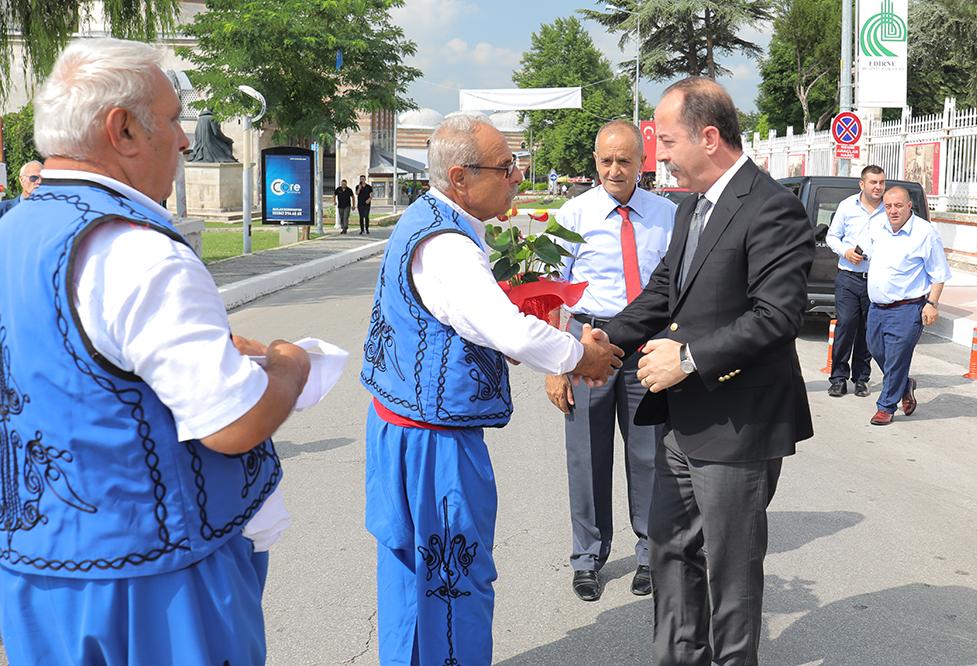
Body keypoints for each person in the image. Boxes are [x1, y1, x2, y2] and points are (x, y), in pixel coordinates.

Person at [0, 38, 311, 665]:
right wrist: (289, 367)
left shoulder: (13, 230)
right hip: (153, 584)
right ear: (123, 130)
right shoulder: (140, 252)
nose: (186, 139)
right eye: (173, 120)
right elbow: (232, 423)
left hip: (35, 568)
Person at [360, 113, 623, 666]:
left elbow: (468, 323)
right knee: (456, 577)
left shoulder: (427, 218)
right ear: (460, 177)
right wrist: (580, 355)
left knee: (413, 576)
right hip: (434, 445)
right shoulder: (449, 245)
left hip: (402, 426)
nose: (517, 180)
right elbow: (499, 325)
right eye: (505, 169)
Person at [602, 77, 815, 666]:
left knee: (731, 572)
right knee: (670, 551)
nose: (659, 156)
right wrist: (599, 339)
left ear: (710, 137)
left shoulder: (774, 208)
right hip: (681, 422)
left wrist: (688, 359)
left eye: (667, 142)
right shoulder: (690, 206)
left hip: (737, 424)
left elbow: (777, 316)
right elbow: (666, 291)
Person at [545, 119, 676, 602]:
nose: (615, 170)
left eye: (625, 160)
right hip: (587, 344)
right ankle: (588, 556)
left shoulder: (668, 215)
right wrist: (558, 365)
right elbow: (549, 297)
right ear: (595, 162)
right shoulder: (573, 215)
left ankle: (651, 555)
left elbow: (680, 290)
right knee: (586, 455)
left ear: (643, 161)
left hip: (647, 347)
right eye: (606, 161)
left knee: (651, 456)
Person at [863, 186, 950, 426]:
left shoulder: (925, 232)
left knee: (897, 357)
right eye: (888, 206)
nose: (893, 211)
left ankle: (885, 407)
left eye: (898, 205)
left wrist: (932, 304)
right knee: (875, 349)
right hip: (877, 307)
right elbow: (870, 254)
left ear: (909, 206)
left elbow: (939, 273)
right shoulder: (877, 226)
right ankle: (904, 384)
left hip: (908, 308)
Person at [825, 165, 887, 398]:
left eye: (881, 182)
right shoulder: (847, 206)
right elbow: (832, 236)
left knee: (868, 330)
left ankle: (861, 378)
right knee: (846, 325)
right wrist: (846, 251)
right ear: (862, 184)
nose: (878, 187)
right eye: (873, 182)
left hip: (876, 280)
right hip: (849, 277)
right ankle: (838, 378)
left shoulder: (887, 208)